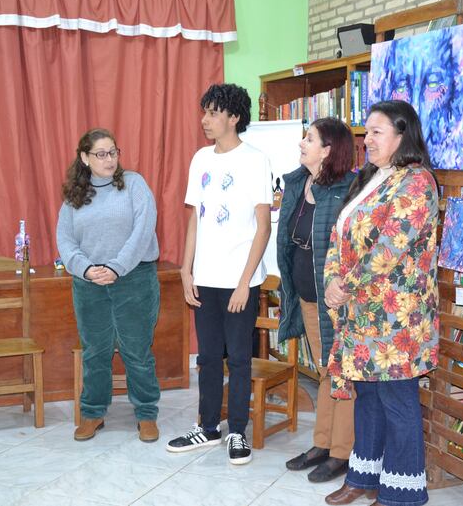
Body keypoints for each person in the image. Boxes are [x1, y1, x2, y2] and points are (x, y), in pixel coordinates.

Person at [322, 100, 440, 506]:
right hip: (360, 314)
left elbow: (389, 248)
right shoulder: (371, 178)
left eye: (376, 132)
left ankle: (401, 495)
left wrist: (346, 284)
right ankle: (363, 477)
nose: (366, 140)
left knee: (398, 402)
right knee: (367, 398)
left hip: (397, 319)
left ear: (402, 135)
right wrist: (331, 282)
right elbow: (340, 235)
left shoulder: (418, 182)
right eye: (366, 132)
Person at [166, 83, 272, 465]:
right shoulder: (200, 159)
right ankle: (208, 427)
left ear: (234, 117)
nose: (205, 120)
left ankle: (237, 433)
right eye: (204, 112)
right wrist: (185, 269)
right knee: (209, 357)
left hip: (240, 280)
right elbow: (195, 218)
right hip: (205, 277)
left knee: (239, 358)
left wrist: (245, 282)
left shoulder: (255, 160)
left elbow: (263, 227)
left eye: (213, 113)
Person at [56, 128, 161, 443]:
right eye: (101, 153)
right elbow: (65, 240)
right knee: (95, 352)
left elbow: (143, 230)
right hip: (89, 284)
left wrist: (116, 267)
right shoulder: (74, 197)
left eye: (113, 152)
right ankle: (93, 413)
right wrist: (87, 270)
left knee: (137, 351)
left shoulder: (134, 185)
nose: (109, 159)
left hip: (134, 279)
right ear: (85, 158)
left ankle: (146, 414)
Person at [277, 117, 356, 483]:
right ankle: (322, 444)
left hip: (334, 302)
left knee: (340, 375)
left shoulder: (346, 189)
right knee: (326, 371)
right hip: (307, 298)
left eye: (309, 138)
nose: (301, 143)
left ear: (328, 149)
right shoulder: (299, 183)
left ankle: (341, 452)